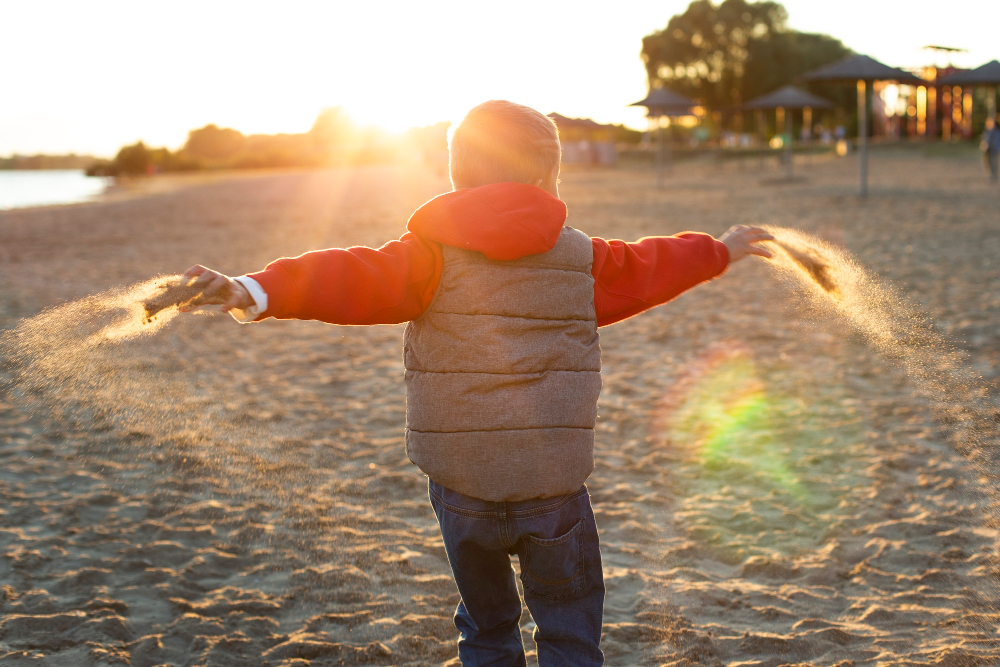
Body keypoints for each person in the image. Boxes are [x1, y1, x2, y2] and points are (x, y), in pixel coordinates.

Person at [181, 100, 773, 667]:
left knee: (487, 626)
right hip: (553, 486)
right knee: (567, 623)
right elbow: (653, 266)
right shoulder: (583, 260)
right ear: (550, 177)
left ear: (458, 175)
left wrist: (254, 288)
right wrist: (720, 250)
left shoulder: (427, 258)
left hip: (463, 485)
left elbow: (348, 274)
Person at [982, 117, 1000, 183]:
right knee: (987, 162)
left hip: (994, 149)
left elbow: (997, 141)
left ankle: (994, 175)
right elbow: (985, 139)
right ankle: (990, 174)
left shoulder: (997, 132)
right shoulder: (987, 131)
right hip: (987, 149)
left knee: (994, 162)